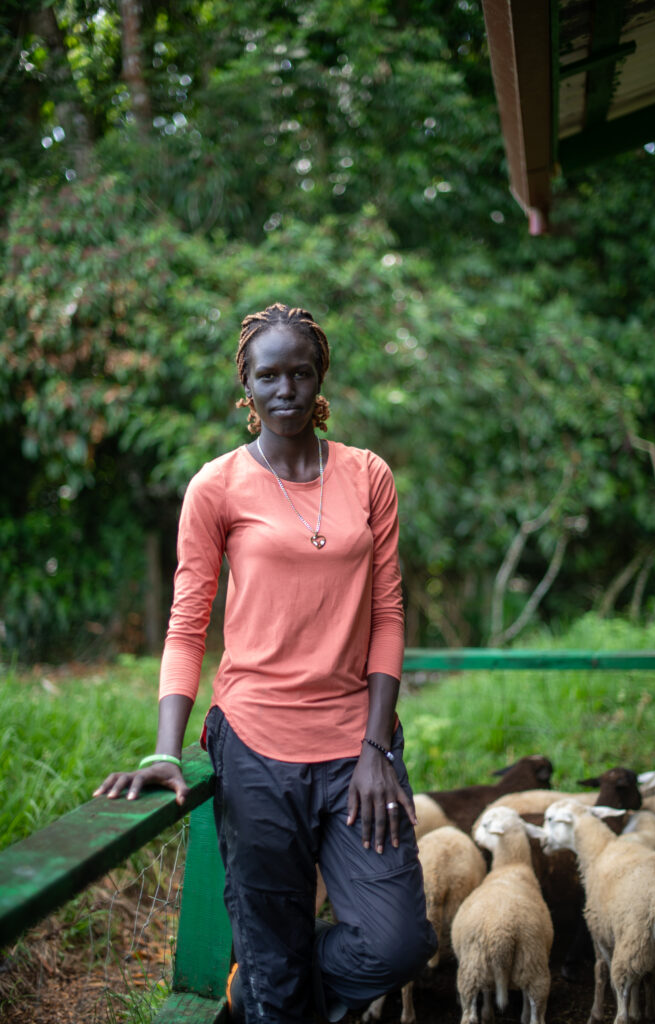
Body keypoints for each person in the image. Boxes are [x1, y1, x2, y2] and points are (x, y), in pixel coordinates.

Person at [94, 302, 436, 1023]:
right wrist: (165, 750)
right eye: (269, 375)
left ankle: (265, 979)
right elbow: (187, 627)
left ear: (321, 381)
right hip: (253, 748)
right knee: (275, 979)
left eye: (301, 373)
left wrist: (376, 745)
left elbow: (388, 612)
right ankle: (270, 978)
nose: (286, 390)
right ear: (244, 388)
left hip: (356, 750)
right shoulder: (216, 487)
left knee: (397, 944)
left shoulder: (367, 475)